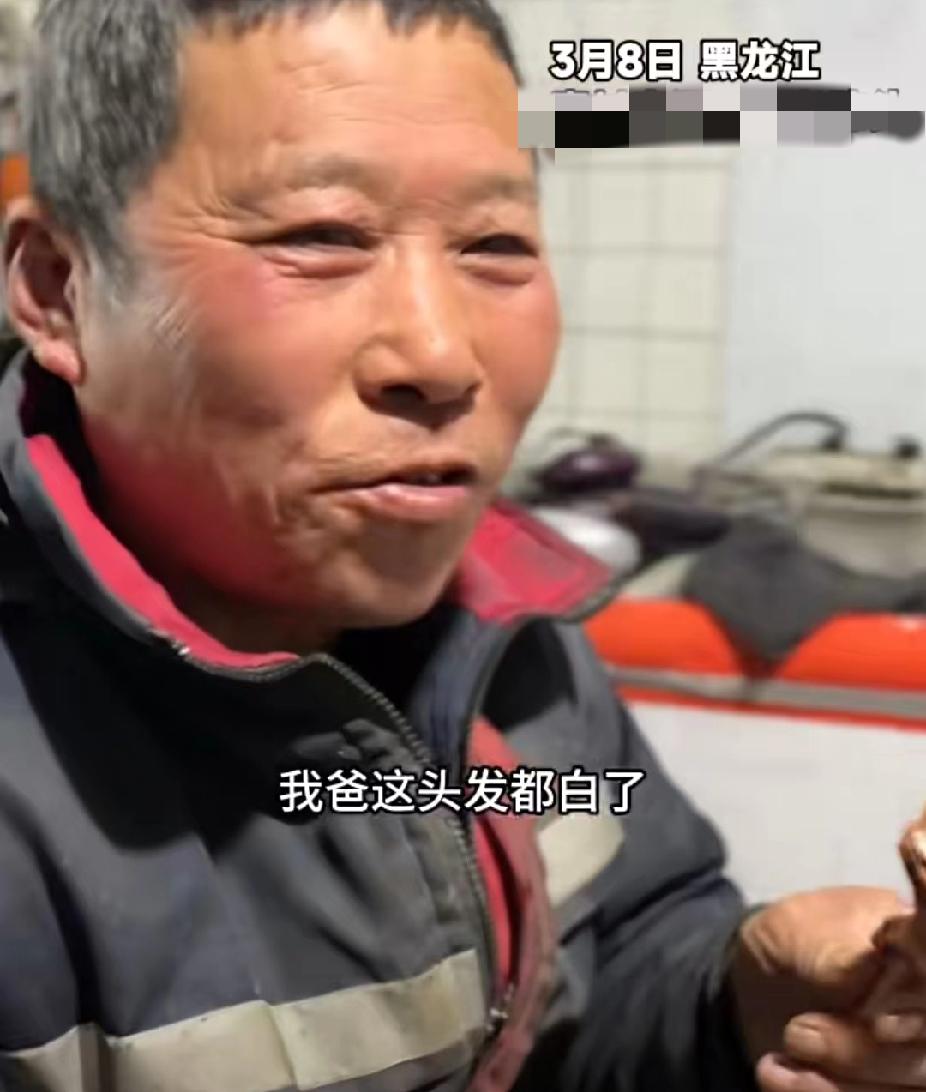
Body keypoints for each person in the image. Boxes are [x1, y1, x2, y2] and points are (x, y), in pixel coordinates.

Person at [0, 1, 922, 1090]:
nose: (441, 356)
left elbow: (620, 949)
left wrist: (747, 1003)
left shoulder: (508, 631)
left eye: (494, 246)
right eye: (321, 238)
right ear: (60, 289)